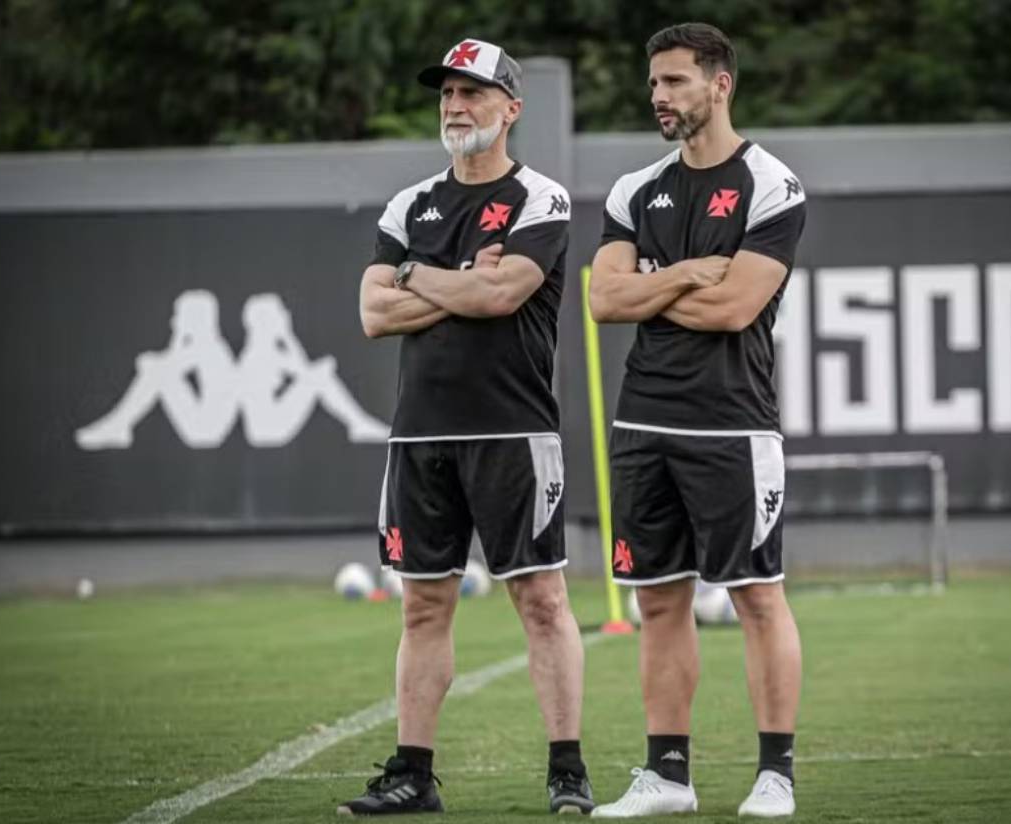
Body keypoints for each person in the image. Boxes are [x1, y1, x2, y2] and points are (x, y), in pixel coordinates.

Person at [339, 38, 593, 817]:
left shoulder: (539, 199)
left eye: (473, 94)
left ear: (510, 109)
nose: (455, 107)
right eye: (447, 94)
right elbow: (373, 313)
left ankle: (566, 770)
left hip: (513, 430)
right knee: (422, 606)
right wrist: (451, 279)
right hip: (420, 434)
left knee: (542, 601)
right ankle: (412, 774)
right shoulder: (406, 205)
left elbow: (501, 297)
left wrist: (416, 274)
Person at [587, 23, 808, 818]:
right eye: (653, 84)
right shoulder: (631, 191)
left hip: (731, 425)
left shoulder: (772, 186)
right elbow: (601, 299)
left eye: (675, 82)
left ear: (719, 85)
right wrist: (681, 272)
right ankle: (667, 778)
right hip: (642, 423)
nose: (658, 97)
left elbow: (735, 305)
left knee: (754, 595)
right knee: (656, 602)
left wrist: (651, 283)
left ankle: (775, 774)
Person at [74, 289, 238, 449]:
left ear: (196, 318)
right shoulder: (205, 345)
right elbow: (170, 360)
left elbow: (169, 363)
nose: (174, 320)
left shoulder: (209, 348)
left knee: (157, 371)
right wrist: (176, 339)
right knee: (158, 371)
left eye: (180, 314)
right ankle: (118, 424)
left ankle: (118, 424)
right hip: (203, 426)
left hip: (205, 430)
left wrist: (177, 335)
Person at [237, 293, 388, 446]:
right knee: (320, 376)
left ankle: (359, 423)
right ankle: (358, 423)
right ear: (266, 321)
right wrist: (287, 334)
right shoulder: (258, 354)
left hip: (268, 426)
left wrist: (287, 336)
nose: (285, 315)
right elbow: (304, 370)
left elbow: (302, 368)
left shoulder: (266, 351)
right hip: (267, 429)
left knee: (319, 375)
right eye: (279, 312)